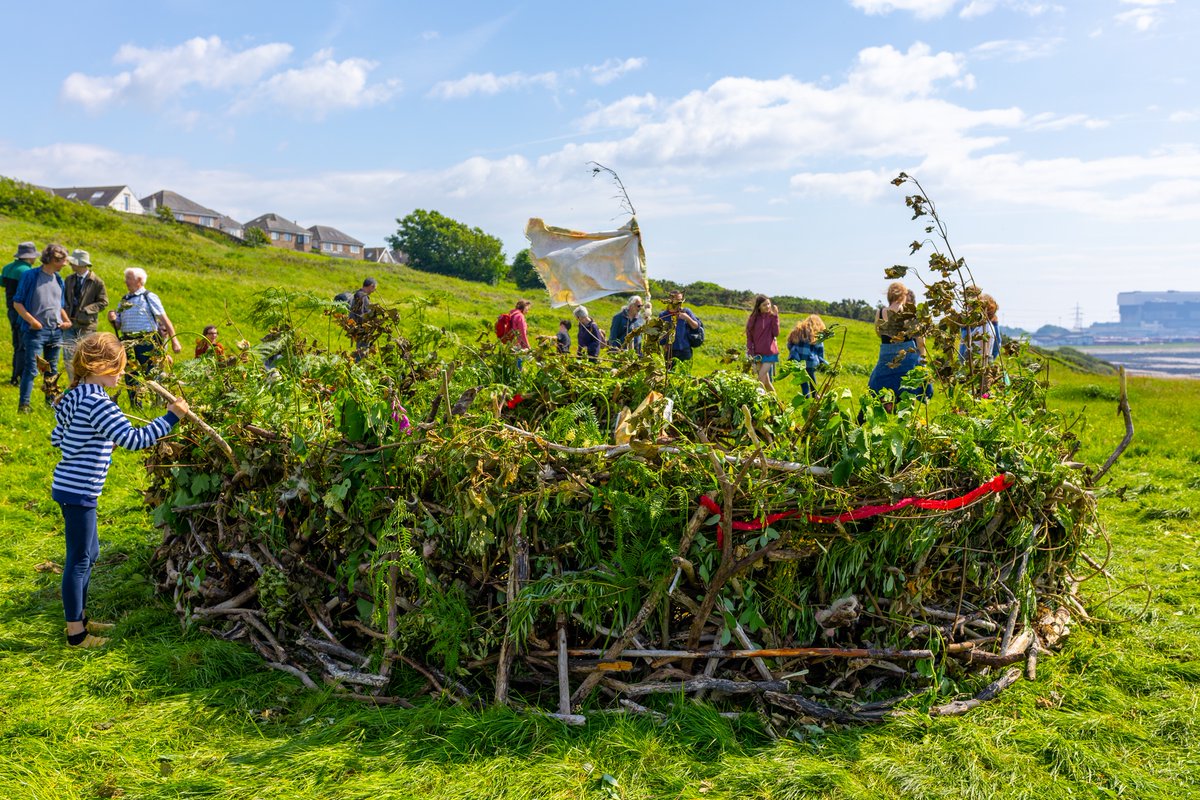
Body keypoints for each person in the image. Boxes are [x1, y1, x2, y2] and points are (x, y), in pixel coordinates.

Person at [51, 332, 187, 647]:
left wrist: (92, 441)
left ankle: (80, 615)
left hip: (69, 485)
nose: (123, 373)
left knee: (90, 553)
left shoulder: (74, 395)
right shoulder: (98, 403)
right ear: (98, 365)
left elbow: (59, 438)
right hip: (79, 489)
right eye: (119, 367)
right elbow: (134, 440)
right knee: (79, 559)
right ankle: (76, 634)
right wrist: (171, 416)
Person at [108, 267, 181, 408]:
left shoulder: (149, 297)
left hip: (147, 341)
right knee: (130, 374)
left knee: (152, 373)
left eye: (129, 278)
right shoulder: (125, 299)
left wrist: (175, 341)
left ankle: (159, 404)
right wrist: (112, 319)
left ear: (139, 280)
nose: (126, 281)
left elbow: (165, 320)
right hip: (128, 342)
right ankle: (136, 405)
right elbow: (118, 325)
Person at [13, 244, 72, 413]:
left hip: (56, 332)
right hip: (36, 332)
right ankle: (24, 406)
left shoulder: (58, 279)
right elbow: (17, 303)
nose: (65, 264)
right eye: (62, 261)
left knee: (51, 370)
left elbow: (58, 306)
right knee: (32, 369)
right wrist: (33, 322)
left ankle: (51, 404)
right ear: (53, 260)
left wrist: (66, 321)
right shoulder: (31, 276)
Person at [867, 281, 929, 411]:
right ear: (903, 296)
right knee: (908, 391)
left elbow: (879, 333)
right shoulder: (909, 314)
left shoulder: (880, 313)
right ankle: (904, 417)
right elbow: (920, 341)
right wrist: (923, 361)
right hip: (907, 360)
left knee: (876, 385)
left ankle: (886, 405)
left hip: (886, 359)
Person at [61, 250, 108, 382]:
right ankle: (73, 385)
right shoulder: (69, 279)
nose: (71, 265)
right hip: (69, 324)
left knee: (85, 357)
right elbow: (63, 299)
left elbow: (103, 302)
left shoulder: (97, 282)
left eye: (73, 263)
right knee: (68, 357)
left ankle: (85, 385)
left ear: (81, 264)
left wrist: (87, 310)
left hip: (87, 326)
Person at [3, 241, 38, 386]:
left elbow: (3, 284)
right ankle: (18, 377)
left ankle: (14, 375)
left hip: (11, 309)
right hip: (22, 310)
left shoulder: (7, 268)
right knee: (23, 345)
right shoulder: (26, 271)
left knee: (17, 344)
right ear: (30, 257)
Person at [787, 314, 828, 397]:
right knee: (812, 378)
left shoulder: (797, 331)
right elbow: (820, 351)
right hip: (810, 361)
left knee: (803, 381)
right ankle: (815, 396)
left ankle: (806, 397)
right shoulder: (816, 335)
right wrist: (824, 363)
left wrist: (794, 351)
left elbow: (789, 343)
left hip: (797, 361)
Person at [745, 294, 780, 391]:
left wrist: (776, 317)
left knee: (760, 378)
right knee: (766, 382)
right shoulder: (753, 319)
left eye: (769, 304)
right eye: (764, 305)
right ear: (759, 306)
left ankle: (761, 401)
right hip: (757, 354)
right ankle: (776, 403)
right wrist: (750, 352)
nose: (768, 307)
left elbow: (776, 333)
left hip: (770, 354)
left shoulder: (772, 317)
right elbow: (749, 337)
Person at [658, 290, 700, 369]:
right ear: (670, 300)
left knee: (685, 374)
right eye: (677, 300)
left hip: (685, 349)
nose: (679, 302)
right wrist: (663, 345)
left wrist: (687, 318)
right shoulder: (663, 315)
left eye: (681, 300)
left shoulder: (686, 311)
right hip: (670, 351)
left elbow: (696, 326)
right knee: (670, 375)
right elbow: (660, 334)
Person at [348, 277, 377, 361]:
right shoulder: (362, 296)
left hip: (358, 328)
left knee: (362, 351)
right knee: (362, 352)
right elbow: (361, 314)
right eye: (374, 288)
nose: (374, 290)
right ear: (371, 286)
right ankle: (357, 368)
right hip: (361, 329)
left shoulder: (359, 294)